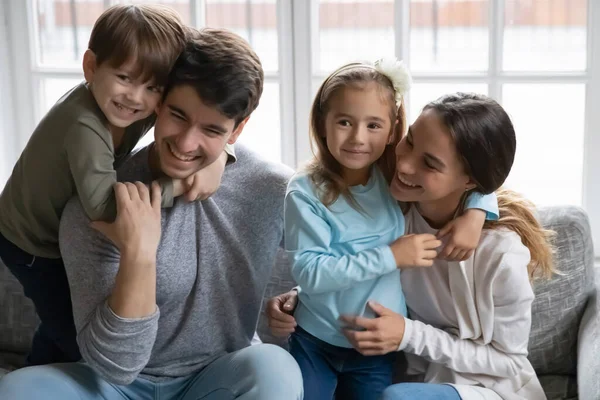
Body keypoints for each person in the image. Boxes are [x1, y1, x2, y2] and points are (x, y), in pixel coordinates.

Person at [0, 27, 303, 400]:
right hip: (115, 385)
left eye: (212, 129)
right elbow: (116, 366)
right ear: (159, 102)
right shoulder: (97, 205)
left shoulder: (272, 189)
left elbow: (345, 246)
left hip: (218, 376)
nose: (186, 143)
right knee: (17, 389)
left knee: (274, 367)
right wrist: (138, 253)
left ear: (237, 130)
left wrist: (299, 296)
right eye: (178, 115)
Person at [269, 92, 554, 400]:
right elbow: (359, 261)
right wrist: (303, 297)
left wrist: (408, 333)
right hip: (405, 375)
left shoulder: (501, 255)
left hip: (484, 387)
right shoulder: (395, 209)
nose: (403, 164)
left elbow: (509, 361)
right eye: (410, 141)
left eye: (429, 163)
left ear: (470, 182)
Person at [0, 4, 230, 366]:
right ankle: (38, 374)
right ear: (91, 67)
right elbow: (106, 210)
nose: (135, 97)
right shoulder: (84, 125)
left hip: (60, 228)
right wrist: (182, 184)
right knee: (79, 338)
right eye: (124, 77)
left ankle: (42, 363)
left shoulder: (133, 108)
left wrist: (220, 154)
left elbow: (209, 109)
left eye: (153, 86)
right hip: (31, 242)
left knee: (65, 316)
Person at [284, 60, 499, 400]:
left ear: (392, 129)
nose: (357, 138)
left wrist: (477, 211)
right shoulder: (305, 191)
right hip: (315, 341)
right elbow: (310, 273)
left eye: (373, 125)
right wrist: (391, 256)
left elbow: (470, 170)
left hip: (376, 349)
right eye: (344, 122)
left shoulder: (396, 179)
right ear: (322, 123)